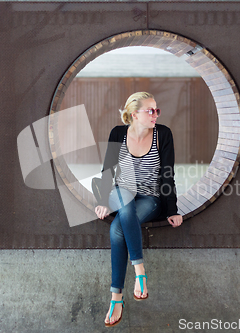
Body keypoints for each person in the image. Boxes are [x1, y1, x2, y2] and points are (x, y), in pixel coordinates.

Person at [95, 92, 183, 327]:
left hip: (151, 199)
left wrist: (172, 209)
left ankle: (116, 299)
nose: (155, 114)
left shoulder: (162, 134)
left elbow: (167, 174)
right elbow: (107, 170)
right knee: (123, 196)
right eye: (150, 110)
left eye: (157, 110)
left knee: (117, 230)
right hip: (122, 193)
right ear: (134, 114)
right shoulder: (118, 133)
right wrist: (103, 200)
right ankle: (140, 272)